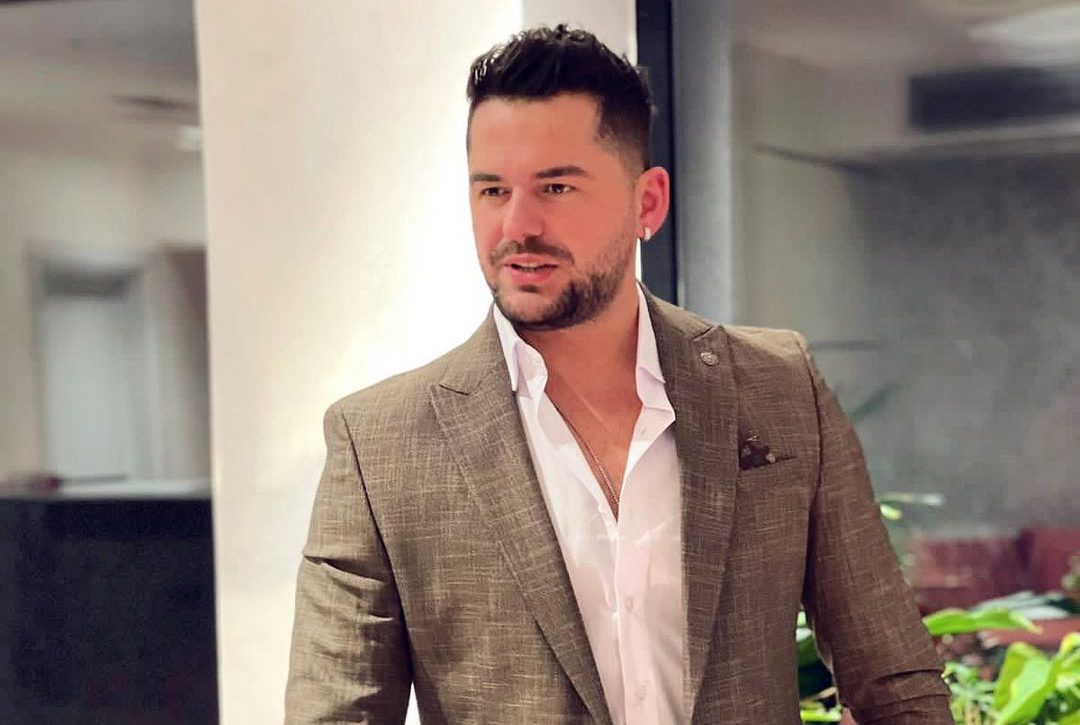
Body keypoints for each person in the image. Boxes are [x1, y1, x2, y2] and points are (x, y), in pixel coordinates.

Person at [285, 25, 951, 725]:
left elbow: (895, 683)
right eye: (492, 190)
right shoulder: (381, 445)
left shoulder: (778, 388)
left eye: (556, 186)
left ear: (648, 203)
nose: (517, 225)